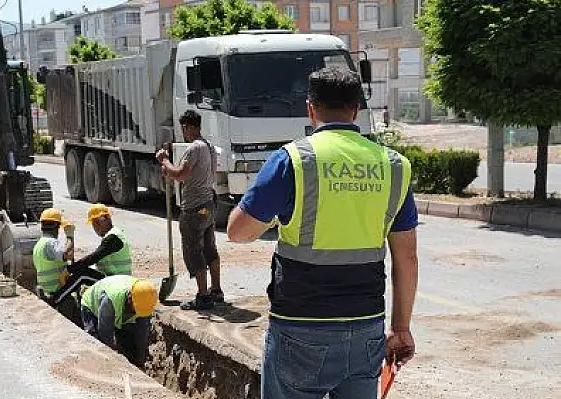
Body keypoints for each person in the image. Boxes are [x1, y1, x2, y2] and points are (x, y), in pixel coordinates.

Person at [226, 66, 419, 399]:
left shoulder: (293, 161)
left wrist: (274, 219)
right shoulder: (395, 166)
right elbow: (408, 258)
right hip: (366, 328)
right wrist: (400, 329)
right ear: (357, 108)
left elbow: (238, 232)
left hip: (301, 327)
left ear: (310, 108)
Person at [155, 109, 222, 311]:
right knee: (209, 247)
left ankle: (203, 296)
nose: (183, 132)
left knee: (193, 250)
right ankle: (216, 290)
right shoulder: (209, 146)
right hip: (209, 205)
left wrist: (164, 160)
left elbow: (181, 174)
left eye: (183, 128)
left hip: (194, 207)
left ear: (188, 127)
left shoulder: (194, 149)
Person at [50, 203, 133, 307]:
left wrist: (70, 269)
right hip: (114, 278)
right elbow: (96, 260)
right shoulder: (113, 235)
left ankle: (55, 301)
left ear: (102, 221)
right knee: (83, 272)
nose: (95, 228)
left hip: (117, 282)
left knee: (82, 274)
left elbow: (93, 258)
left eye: (94, 225)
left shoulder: (113, 238)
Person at [80, 275, 158, 367]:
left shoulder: (144, 301)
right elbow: (105, 333)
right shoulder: (110, 300)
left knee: (128, 343)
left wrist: (140, 361)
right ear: (130, 299)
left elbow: (142, 332)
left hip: (120, 311)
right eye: (136, 310)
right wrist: (114, 362)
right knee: (97, 345)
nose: (137, 314)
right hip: (92, 308)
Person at [33, 208, 80, 324]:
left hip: (47, 289)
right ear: (55, 226)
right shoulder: (50, 243)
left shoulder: (39, 244)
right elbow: (66, 254)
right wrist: (70, 236)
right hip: (58, 291)